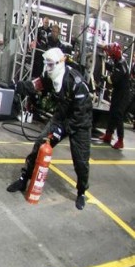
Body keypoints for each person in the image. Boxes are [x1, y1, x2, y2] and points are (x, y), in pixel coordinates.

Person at [7, 47, 92, 210]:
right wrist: (17, 86)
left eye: (50, 64)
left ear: (60, 63)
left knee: (81, 161)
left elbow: (81, 113)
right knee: (40, 145)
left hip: (80, 123)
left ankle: (81, 191)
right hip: (61, 117)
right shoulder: (49, 76)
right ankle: (24, 179)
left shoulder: (76, 83)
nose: (47, 68)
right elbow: (34, 85)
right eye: (46, 64)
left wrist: (63, 129)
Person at [100, 43, 131, 150]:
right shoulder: (118, 61)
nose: (110, 56)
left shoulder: (121, 64)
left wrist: (105, 78)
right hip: (118, 91)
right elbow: (112, 66)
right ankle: (108, 134)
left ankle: (120, 140)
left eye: (111, 54)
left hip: (123, 94)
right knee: (112, 112)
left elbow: (113, 79)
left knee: (118, 115)